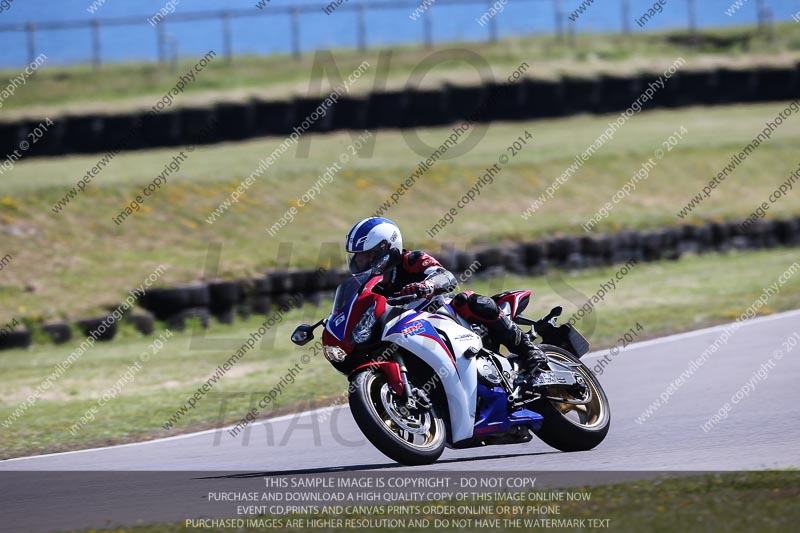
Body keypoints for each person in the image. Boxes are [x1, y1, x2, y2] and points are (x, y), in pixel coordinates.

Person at [345, 217, 546, 371]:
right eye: (359, 257)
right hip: (405, 332)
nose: (361, 262)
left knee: (468, 300)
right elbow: (356, 305)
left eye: (367, 255)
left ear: (386, 248)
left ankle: (529, 350)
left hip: (441, 315)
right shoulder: (371, 286)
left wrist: (427, 286)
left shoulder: (411, 260)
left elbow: (445, 276)